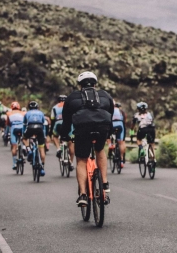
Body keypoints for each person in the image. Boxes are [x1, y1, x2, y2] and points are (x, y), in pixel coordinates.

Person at [60, 71, 114, 207]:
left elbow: (66, 121)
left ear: (80, 85)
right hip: (102, 126)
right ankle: (105, 183)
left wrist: (65, 135)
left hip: (82, 128)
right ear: (95, 84)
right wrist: (109, 132)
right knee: (100, 150)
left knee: (82, 160)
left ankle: (83, 195)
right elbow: (110, 114)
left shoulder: (72, 97)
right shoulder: (105, 95)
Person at [23, 101, 48, 176]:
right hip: (40, 128)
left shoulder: (27, 113)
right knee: (41, 149)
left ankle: (28, 149)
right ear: (37, 107)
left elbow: (24, 125)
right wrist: (44, 135)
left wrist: (24, 134)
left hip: (30, 127)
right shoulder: (41, 113)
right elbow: (44, 124)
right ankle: (42, 168)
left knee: (24, 138)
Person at [6, 102, 25, 170]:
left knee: (14, 146)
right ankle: (24, 148)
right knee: (24, 140)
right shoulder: (23, 113)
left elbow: (8, 125)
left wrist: (6, 134)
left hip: (14, 128)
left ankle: (14, 163)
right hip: (22, 128)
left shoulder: (9, 113)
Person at [111, 101, 127, 166]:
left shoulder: (110, 110)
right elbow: (125, 120)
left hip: (112, 125)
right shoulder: (121, 112)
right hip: (120, 125)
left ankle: (110, 145)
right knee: (121, 142)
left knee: (108, 135)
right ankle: (122, 160)